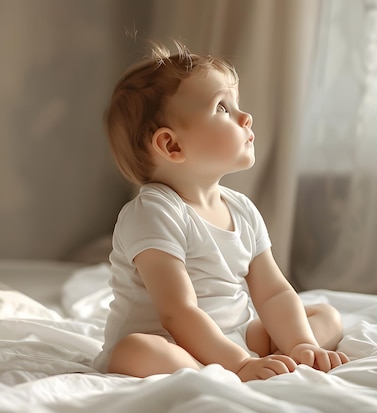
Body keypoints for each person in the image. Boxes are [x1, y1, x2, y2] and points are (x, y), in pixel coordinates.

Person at [92, 42, 349, 381]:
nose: (246, 117)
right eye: (222, 109)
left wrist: (301, 343)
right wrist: (239, 363)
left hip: (235, 336)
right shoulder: (155, 211)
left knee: (325, 315)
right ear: (172, 145)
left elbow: (273, 293)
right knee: (135, 351)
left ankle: (279, 357)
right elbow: (178, 312)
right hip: (173, 341)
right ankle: (207, 372)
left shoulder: (241, 208)